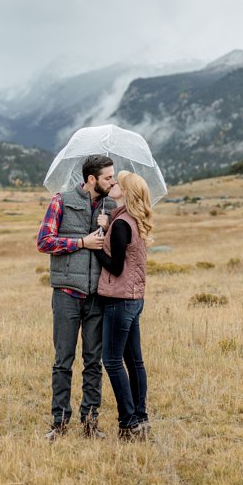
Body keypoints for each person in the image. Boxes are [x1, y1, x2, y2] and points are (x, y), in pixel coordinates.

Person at [36, 152, 114, 440]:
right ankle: (59, 422)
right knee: (63, 360)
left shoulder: (110, 206)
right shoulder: (61, 201)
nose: (112, 181)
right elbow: (44, 242)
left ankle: (91, 422)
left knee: (94, 361)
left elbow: (116, 249)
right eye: (108, 177)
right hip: (67, 294)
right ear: (91, 179)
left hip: (97, 295)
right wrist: (82, 242)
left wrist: (106, 230)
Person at [94, 168, 153, 440]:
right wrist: (106, 228)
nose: (114, 183)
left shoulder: (121, 224)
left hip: (118, 300)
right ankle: (141, 418)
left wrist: (95, 248)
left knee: (113, 361)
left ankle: (128, 422)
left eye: (119, 182)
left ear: (126, 193)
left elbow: (115, 267)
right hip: (134, 299)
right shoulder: (132, 220)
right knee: (134, 361)